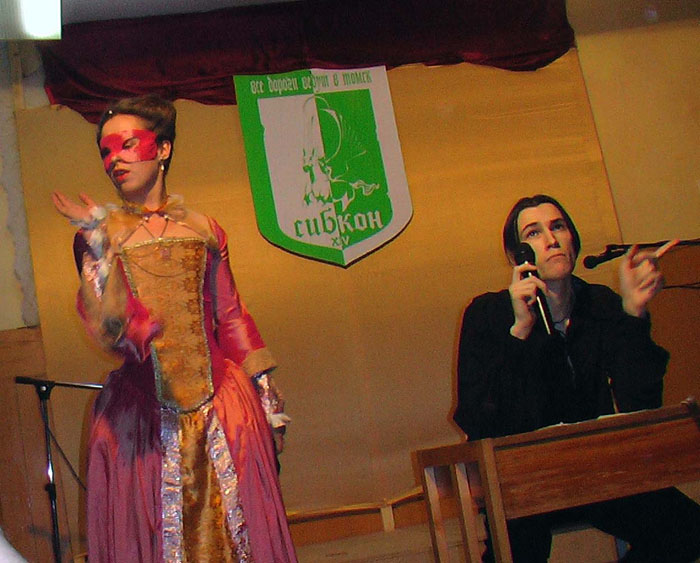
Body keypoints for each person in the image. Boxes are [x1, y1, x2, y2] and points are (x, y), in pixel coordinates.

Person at [52, 94, 297, 562]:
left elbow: (231, 317)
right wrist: (101, 247)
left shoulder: (204, 230)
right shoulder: (97, 235)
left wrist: (266, 397)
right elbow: (115, 333)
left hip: (223, 409)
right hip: (143, 423)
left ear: (162, 148)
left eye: (128, 144)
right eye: (106, 151)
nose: (114, 160)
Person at [453, 194, 700, 562]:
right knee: (519, 550)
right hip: (522, 480)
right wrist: (519, 330)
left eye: (558, 227)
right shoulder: (487, 313)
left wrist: (633, 312)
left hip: (596, 472)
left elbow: (640, 402)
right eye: (534, 233)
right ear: (516, 255)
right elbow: (478, 417)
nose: (551, 240)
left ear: (573, 238)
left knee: (687, 529)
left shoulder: (598, 303)